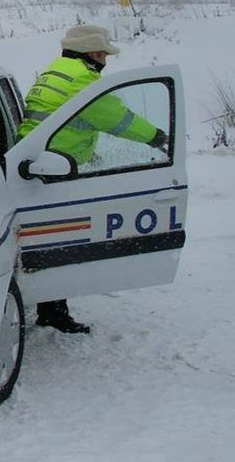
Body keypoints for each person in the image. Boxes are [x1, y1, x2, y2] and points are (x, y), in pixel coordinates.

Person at [17, 24, 168, 334]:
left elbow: (70, 120)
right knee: (61, 241)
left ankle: (51, 306)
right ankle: (53, 311)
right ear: (93, 53)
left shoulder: (57, 70)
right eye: (104, 54)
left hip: (41, 160)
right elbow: (118, 120)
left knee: (49, 239)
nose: (105, 60)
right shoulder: (82, 80)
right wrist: (156, 137)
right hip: (55, 168)